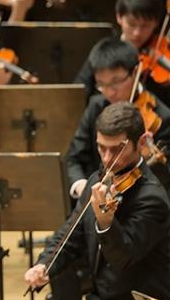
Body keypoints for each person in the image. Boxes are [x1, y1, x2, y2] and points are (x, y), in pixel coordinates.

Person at [23, 101, 170, 300]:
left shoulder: (153, 199)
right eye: (101, 147)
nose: (105, 158)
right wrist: (45, 264)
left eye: (117, 149)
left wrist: (105, 222)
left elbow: (123, 257)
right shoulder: (98, 181)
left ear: (140, 142)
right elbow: (71, 232)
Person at [67, 37, 170, 201]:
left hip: (141, 206)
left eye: (116, 82)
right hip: (95, 200)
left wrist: (150, 159)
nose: (109, 92)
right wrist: (82, 187)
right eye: (101, 84)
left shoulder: (161, 117)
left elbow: (165, 180)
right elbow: (74, 158)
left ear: (135, 72)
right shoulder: (96, 106)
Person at [74, 0, 169, 106]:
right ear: (119, 17)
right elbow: (79, 91)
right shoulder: (105, 50)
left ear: (156, 23)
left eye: (145, 26)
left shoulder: (163, 52)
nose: (137, 33)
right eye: (132, 24)